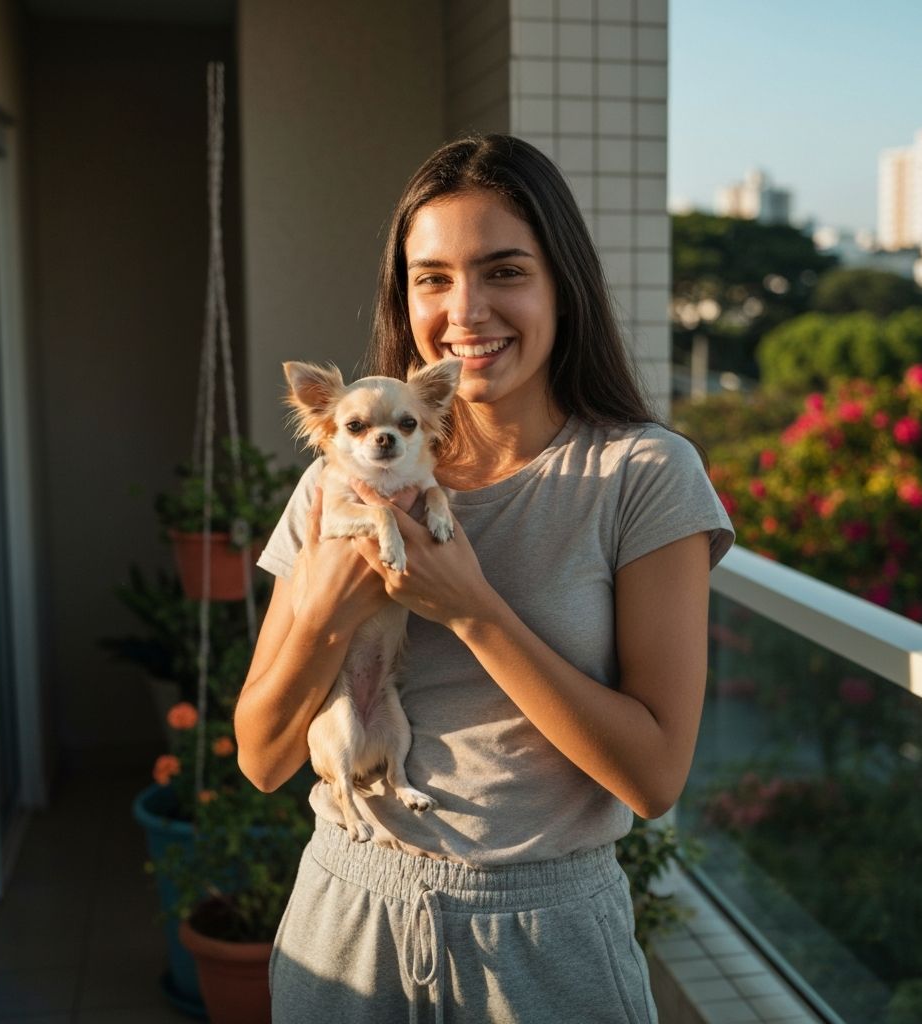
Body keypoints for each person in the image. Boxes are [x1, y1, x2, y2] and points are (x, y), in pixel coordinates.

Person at [235, 134, 735, 1024]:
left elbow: (654, 778)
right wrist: (324, 607)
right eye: (431, 277)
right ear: (406, 297)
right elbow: (263, 756)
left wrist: (470, 610)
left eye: (504, 270)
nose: (465, 309)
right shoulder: (337, 481)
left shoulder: (642, 475)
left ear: (561, 285)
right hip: (345, 920)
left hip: (547, 946)